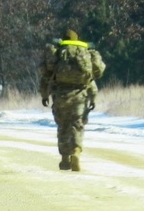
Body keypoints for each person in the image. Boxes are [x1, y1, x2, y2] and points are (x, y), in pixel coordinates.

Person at [39, 29, 106, 172]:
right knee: (77, 124)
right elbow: (94, 76)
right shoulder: (85, 52)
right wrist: (93, 97)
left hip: (60, 93)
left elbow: (45, 75)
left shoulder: (57, 53)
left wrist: (44, 95)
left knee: (63, 125)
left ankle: (64, 158)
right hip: (80, 94)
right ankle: (76, 151)